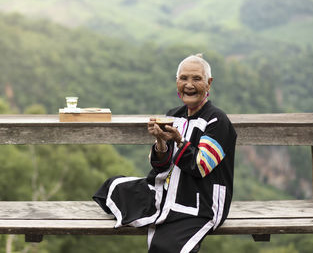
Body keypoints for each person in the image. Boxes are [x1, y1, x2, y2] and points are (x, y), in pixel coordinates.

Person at [93, 54, 237, 253]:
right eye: (183, 78)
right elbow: (160, 166)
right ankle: (161, 211)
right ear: (176, 82)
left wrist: (179, 140)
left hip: (200, 201)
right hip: (167, 189)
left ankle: (167, 219)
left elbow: (201, 167)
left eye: (196, 79)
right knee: (113, 186)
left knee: (167, 246)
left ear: (209, 83)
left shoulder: (217, 120)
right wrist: (161, 141)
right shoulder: (174, 115)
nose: (189, 85)